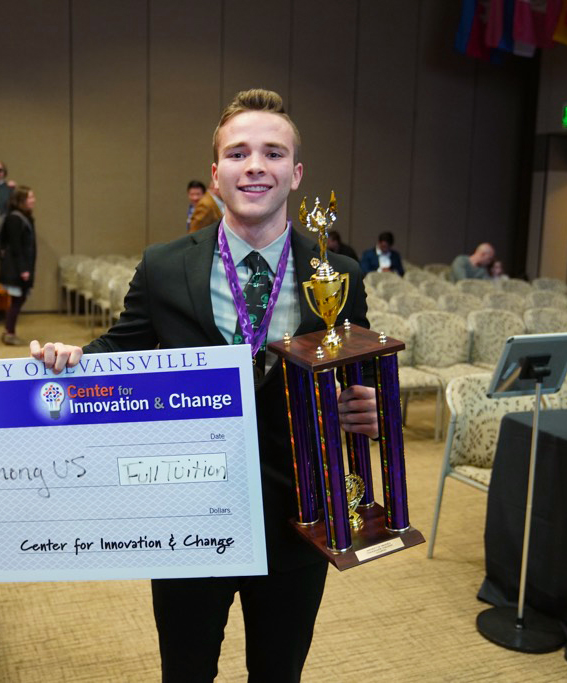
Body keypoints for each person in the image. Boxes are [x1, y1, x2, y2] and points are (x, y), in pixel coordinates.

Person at [30, 88, 377, 682]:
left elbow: (358, 375)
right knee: (185, 671)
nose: (255, 165)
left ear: (295, 174)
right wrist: (74, 357)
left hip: (300, 512)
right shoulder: (165, 266)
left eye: (272, 152)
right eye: (238, 153)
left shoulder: (337, 275)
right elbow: (122, 347)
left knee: (279, 671)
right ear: (216, 175)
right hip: (187, 510)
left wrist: (371, 409)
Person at [0, 186, 37, 346]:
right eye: (30, 197)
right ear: (21, 200)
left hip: (21, 267)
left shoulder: (24, 217)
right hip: (15, 269)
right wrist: (23, 269)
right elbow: (15, 247)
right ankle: (9, 332)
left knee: (18, 300)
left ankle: (9, 331)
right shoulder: (14, 219)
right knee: (17, 300)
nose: (33, 200)